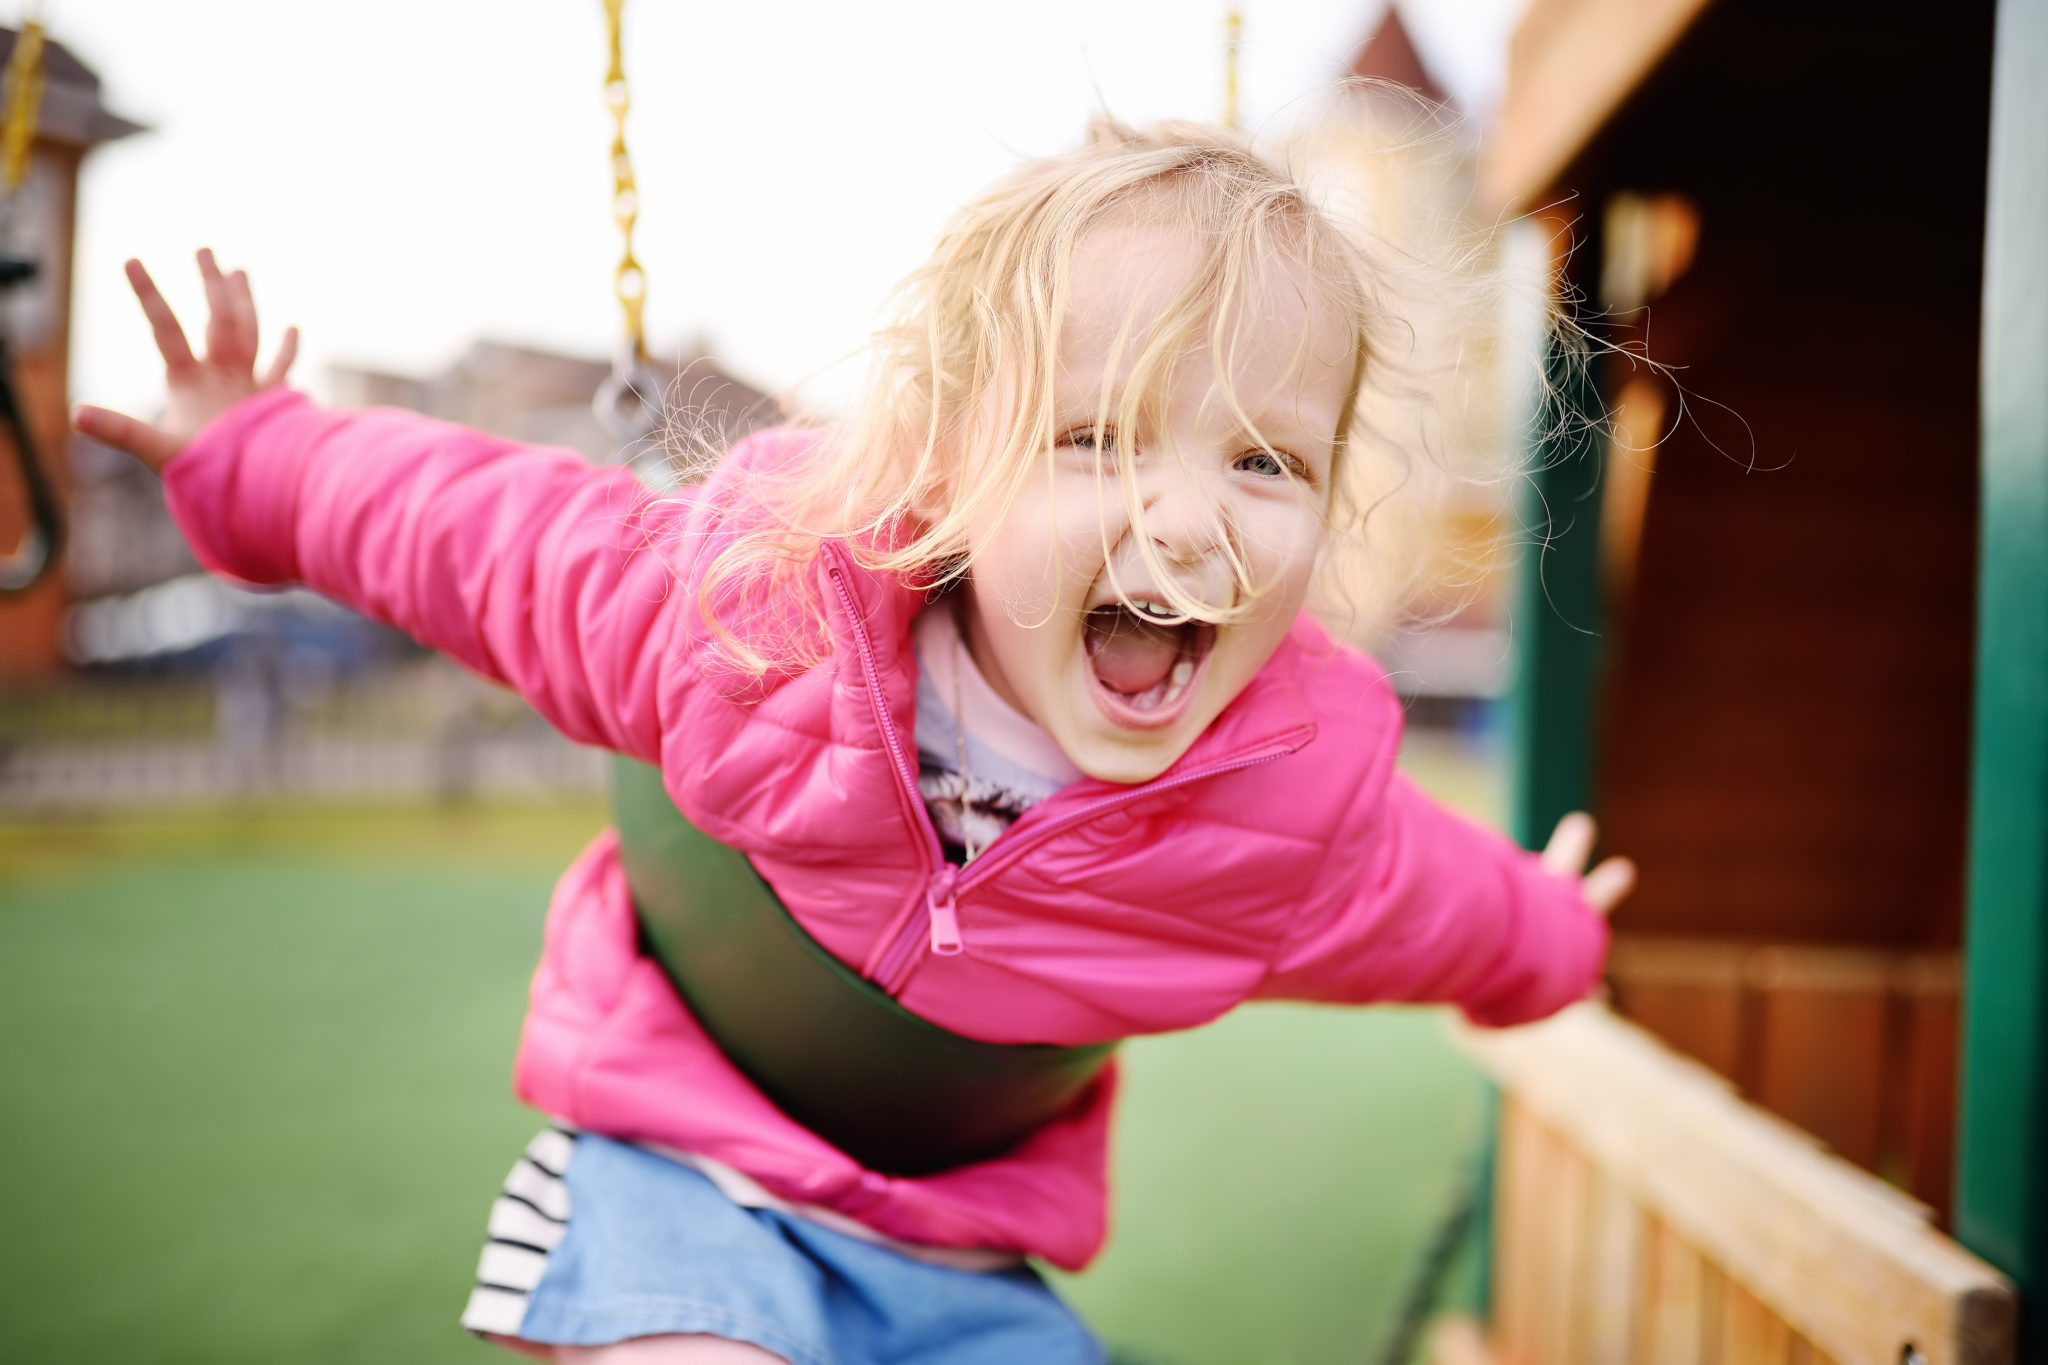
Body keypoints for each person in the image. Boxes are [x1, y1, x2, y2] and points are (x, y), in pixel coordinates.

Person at [76, 120, 1634, 1365]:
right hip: (683, 1176)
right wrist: (259, 456)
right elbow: (487, 539)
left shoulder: (1276, 817)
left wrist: (1549, 934)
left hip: (956, 1255)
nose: (1187, 515)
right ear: (958, 458)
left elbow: (1431, 902)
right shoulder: (751, 625)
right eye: (1095, 437)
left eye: (1265, 459)